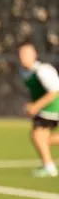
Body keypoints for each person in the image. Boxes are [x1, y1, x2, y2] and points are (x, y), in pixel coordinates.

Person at [18, 42, 59, 177]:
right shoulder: (24, 72)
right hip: (46, 109)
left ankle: (49, 167)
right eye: (20, 54)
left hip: (53, 108)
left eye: (25, 54)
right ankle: (48, 166)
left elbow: (54, 91)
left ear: (34, 55)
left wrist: (36, 106)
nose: (22, 57)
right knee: (40, 137)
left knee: (38, 136)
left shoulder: (43, 71)